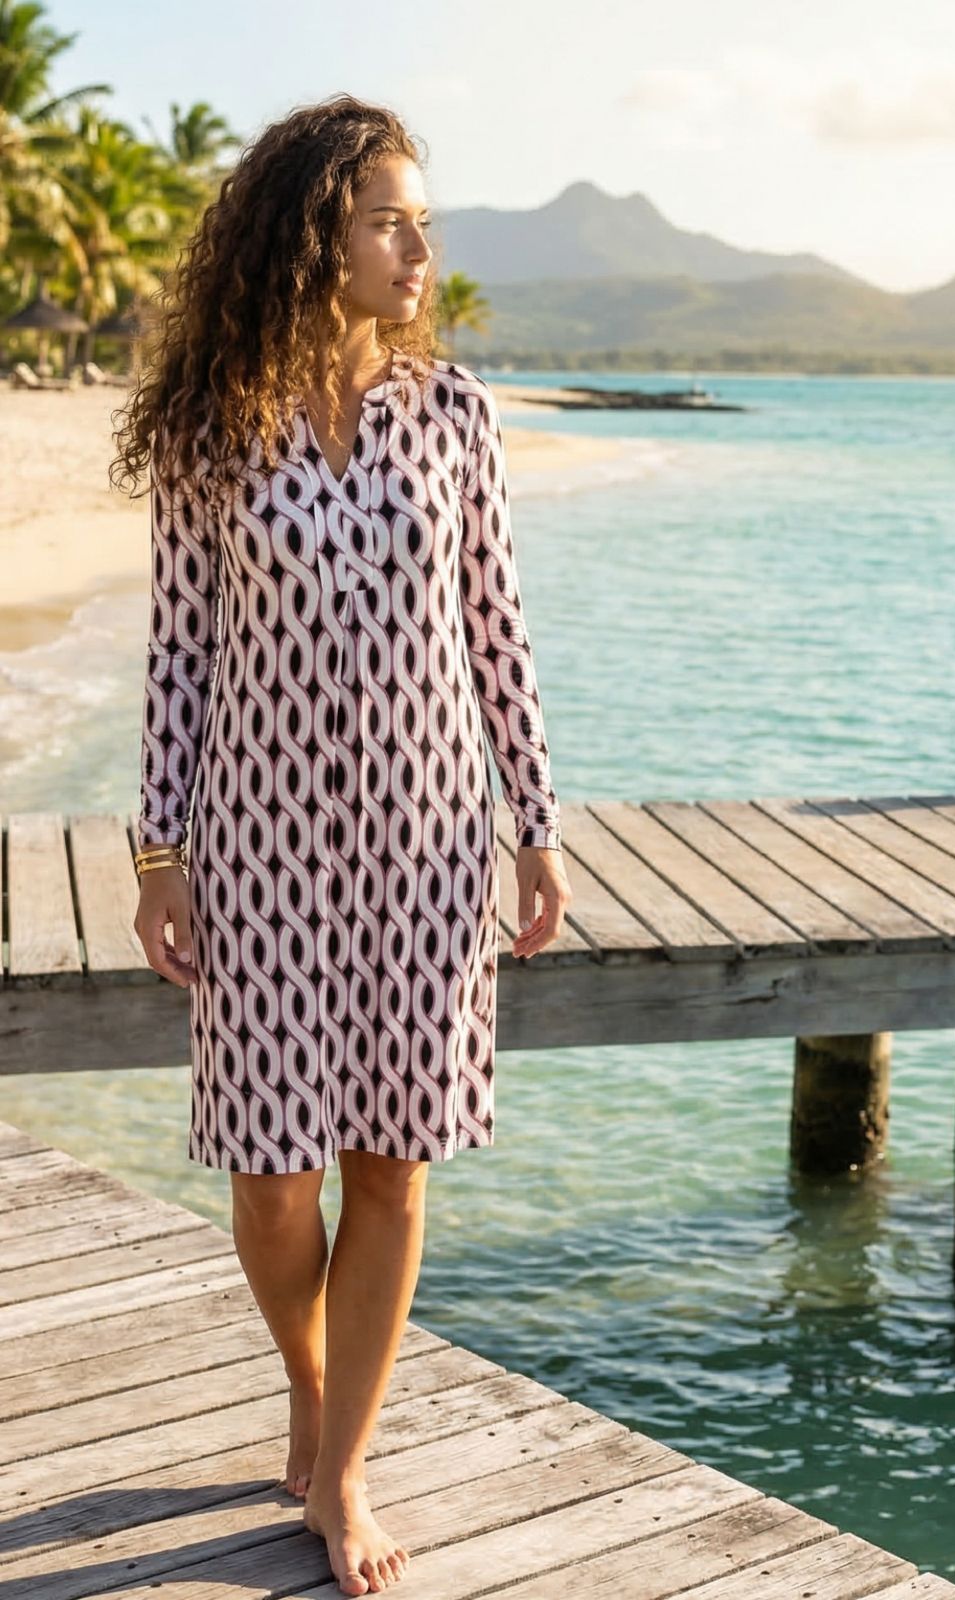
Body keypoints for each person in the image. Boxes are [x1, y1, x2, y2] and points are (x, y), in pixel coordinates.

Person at [111, 94, 572, 1597]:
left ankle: (346, 1466)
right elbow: (180, 654)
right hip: (257, 851)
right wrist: (159, 858)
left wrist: (535, 825)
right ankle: (311, 1389)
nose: (419, 251)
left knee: (391, 1168)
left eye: (424, 223)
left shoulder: (457, 416)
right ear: (317, 236)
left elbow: (497, 631)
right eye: (390, 222)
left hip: (429, 847)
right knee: (270, 1181)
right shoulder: (214, 428)